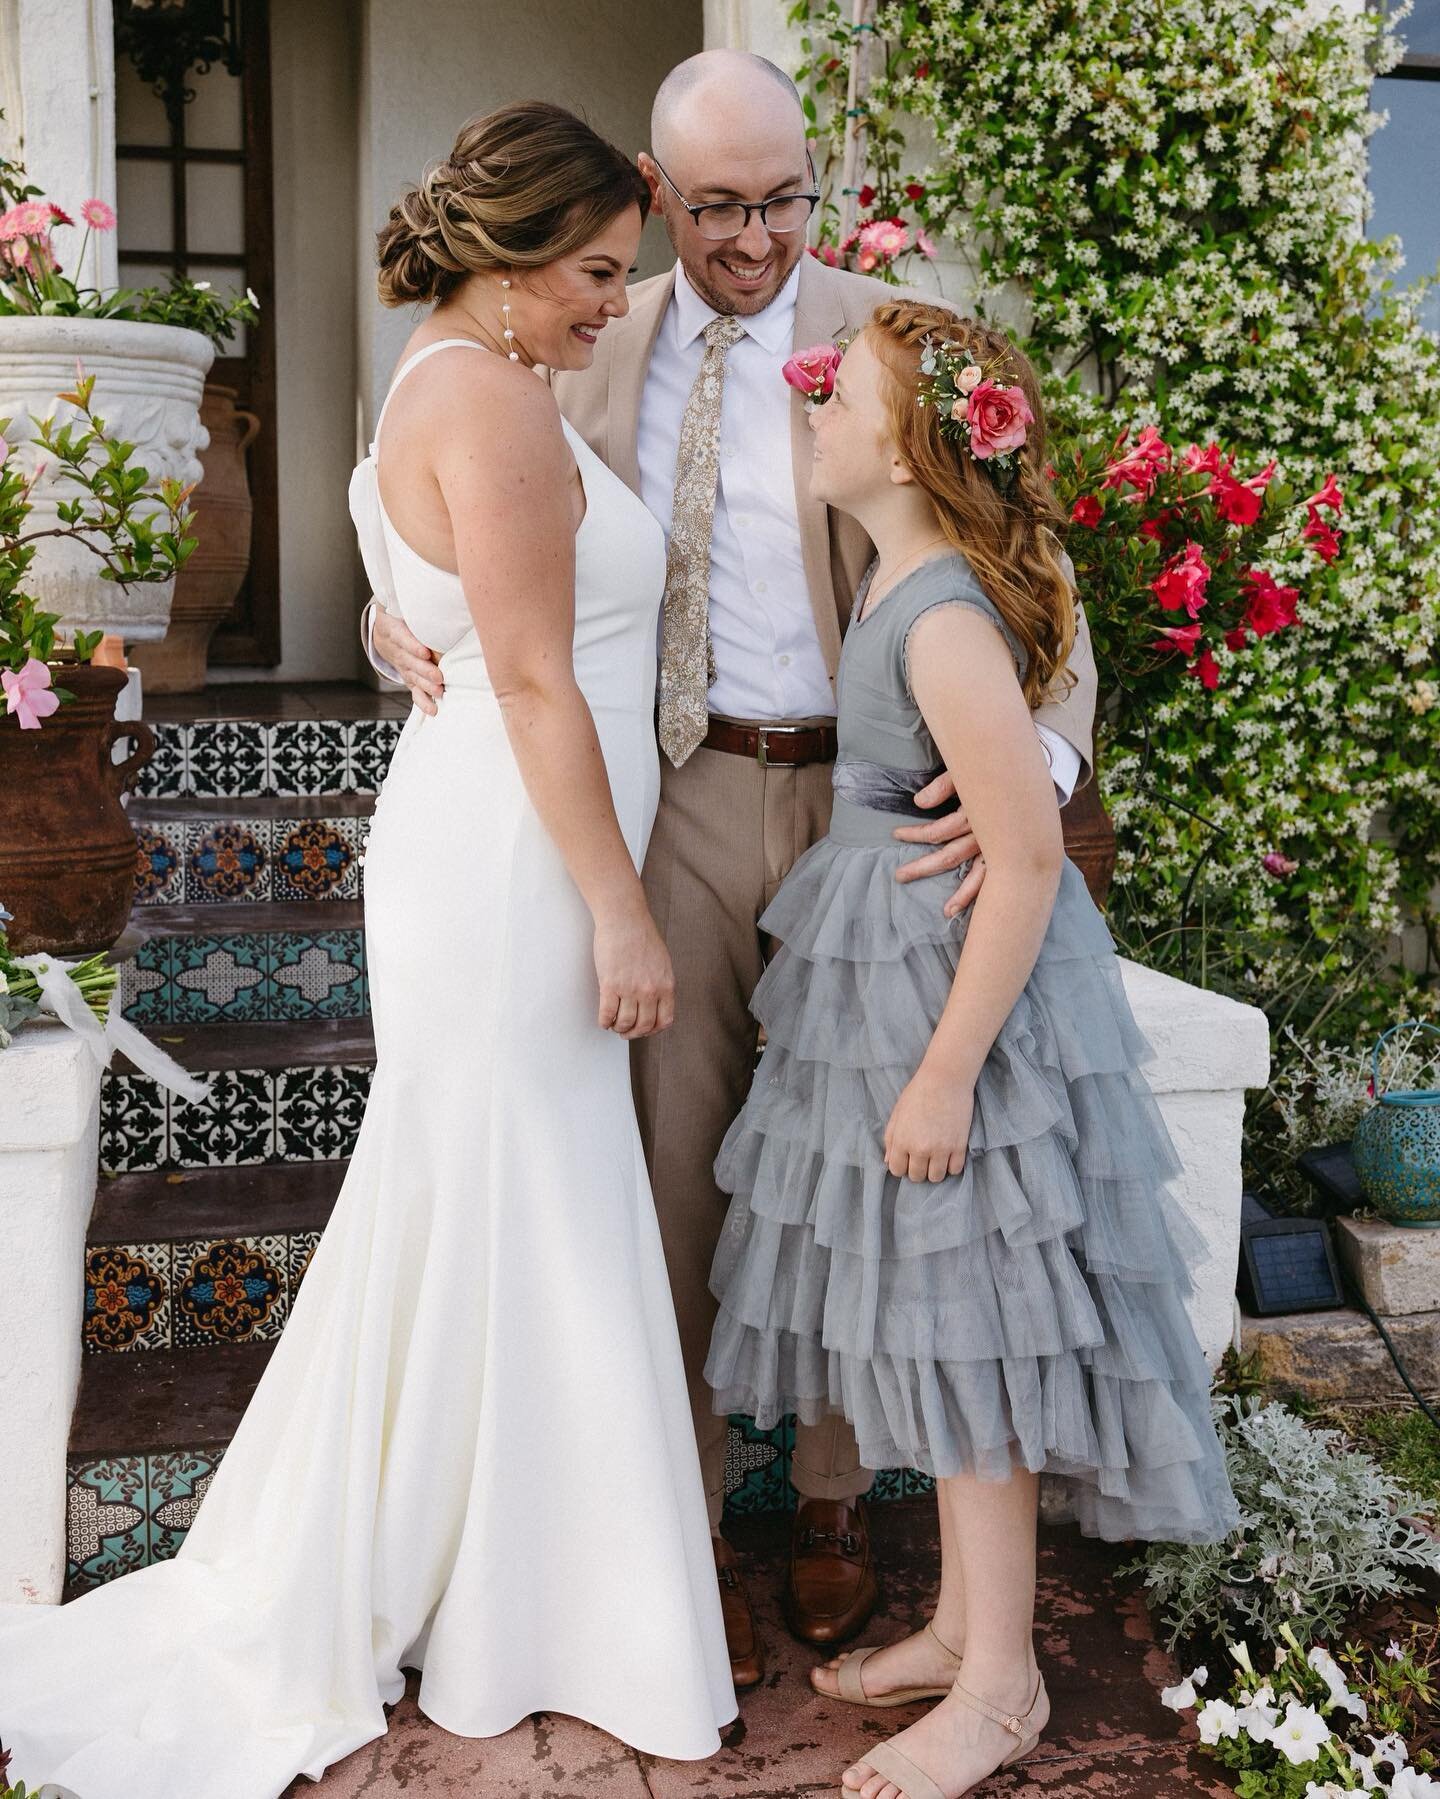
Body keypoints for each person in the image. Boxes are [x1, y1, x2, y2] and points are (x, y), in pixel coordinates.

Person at [0, 101, 736, 1799]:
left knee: (495, 1209)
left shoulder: (463, 379)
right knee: (518, 1204)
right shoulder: (480, 394)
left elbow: (456, 610)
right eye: (598, 273)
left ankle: (519, 1598)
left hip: (500, 835)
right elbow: (541, 679)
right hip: (517, 863)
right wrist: (621, 904)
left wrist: (396, 623)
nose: (612, 303)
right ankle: (534, 1610)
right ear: (517, 250)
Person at [366, 49, 1100, 1687]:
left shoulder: (889, 338)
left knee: (850, 1165)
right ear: (654, 186)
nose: (755, 239)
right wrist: (400, 609)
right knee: (673, 1160)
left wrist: (1031, 771)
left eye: (784, 202)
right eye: (715, 207)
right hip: (672, 797)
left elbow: (1024, 552)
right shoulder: (575, 317)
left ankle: (833, 1503)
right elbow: (459, 504)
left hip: (874, 808)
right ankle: (674, 1512)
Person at [704, 300, 1241, 1799]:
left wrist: (945, 1074)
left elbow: (1024, 857)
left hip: (957, 1010)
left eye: (837, 396)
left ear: (915, 445)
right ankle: (958, 1629)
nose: (810, 407)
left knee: (971, 1332)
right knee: (933, 1324)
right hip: (897, 973)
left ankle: (1002, 1685)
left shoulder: (937, 618)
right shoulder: (900, 584)